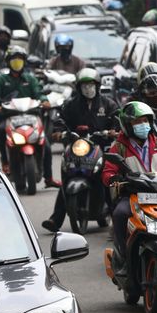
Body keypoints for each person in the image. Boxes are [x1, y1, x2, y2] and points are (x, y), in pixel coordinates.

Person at [102, 101, 157, 273]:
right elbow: (107, 172)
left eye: (145, 121)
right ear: (127, 125)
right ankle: (122, 257)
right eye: (137, 122)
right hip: (133, 195)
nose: (143, 125)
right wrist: (113, 178)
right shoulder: (119, 147)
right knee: (119, 214)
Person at [42, 68, 119, 232]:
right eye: (84, 85)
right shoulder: (71, 105)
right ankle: (56, 219)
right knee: (68, 176)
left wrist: (114, 130)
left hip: (102, 147)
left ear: (97, 86)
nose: (88, 89)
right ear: (79, 88)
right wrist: (58, 132)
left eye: (91, 85)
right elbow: (60, 120)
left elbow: (118, 118)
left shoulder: (108, 103)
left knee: (107, 179)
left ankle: (116, 219)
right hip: (78, 147)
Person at [0, 47, 59, 187]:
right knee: (1, 131)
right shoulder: (1, 79)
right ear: (8, 62)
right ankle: (5, 162)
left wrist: (44, 101)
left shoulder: (30, 79)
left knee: (47, 146)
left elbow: (39, 93)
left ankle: (49, 178)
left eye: (20, 59)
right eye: (14, 60)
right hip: (10, 117)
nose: (17, 62)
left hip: (31, 116)